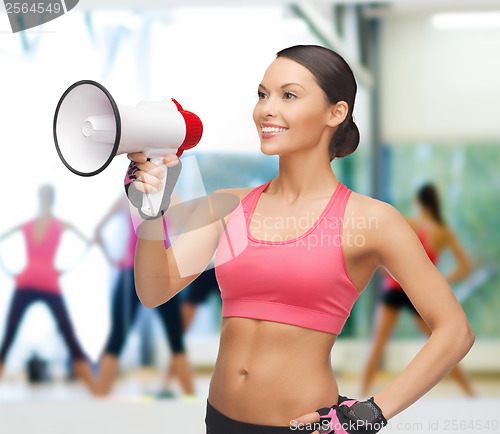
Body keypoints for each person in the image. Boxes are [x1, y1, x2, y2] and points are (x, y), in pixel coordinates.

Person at [125, 45, 474, 433]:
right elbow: (153, 290)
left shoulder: (371, 219)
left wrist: (370, 414)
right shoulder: (228, 206)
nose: (266, 110)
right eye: (262, 94)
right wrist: (150, 214)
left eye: (288, 95)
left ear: (335, 113)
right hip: (220, 421)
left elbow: (455, 331)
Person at [361, 183, 475, 397]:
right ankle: (470, 394)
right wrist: (442, 280)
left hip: (396, 289)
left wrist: (388, 272)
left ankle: (361, 394)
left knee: (378, 343)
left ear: (419, 202)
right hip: (420, 292)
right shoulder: (443, 232)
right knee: (446, 344)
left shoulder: (410, 223)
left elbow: (379, 250)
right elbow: (465, 266)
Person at [93, 195, 196, 398]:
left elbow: (98, 232)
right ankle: (191, 399)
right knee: (173, 338)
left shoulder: (134, 198)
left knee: (171, 338)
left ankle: (100, 397)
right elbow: (192, 222)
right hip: (147, 271)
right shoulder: (162, 197)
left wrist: (114, 259)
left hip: (144, 271)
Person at [0, 184, 95, 393]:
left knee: (68, 335)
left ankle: (95, 389)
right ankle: (95, 388)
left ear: (50, 199)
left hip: (44, 283)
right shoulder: (37, 224)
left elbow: (89, 243)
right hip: (29, 283)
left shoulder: (55, 224)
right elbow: (89, 243)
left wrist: (66, 268)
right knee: (9, 336)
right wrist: (8, 271)